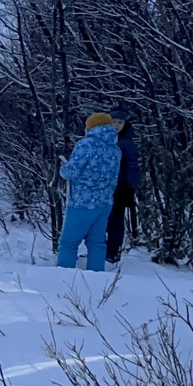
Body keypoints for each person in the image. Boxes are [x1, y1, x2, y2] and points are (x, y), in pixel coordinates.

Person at [56, 112, 122, 272]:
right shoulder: (115, 149)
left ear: (91, 127)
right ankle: (97, 277)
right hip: (105, 202)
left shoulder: (86, 144)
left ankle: (63, 278)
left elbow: (71, 171)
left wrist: (62, 168)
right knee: (97, 243)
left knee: (69, 243)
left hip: (82, 202)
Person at [105, 107, 141, 264]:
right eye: (114, 121)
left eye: (120, 122)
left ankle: (112, 252)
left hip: (120, 189)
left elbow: (133, 167)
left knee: (115, 221)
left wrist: (130, 188)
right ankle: (100, 249)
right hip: (102, 187)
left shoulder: (127, 142)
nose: (116, 125)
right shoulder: (103, 138)